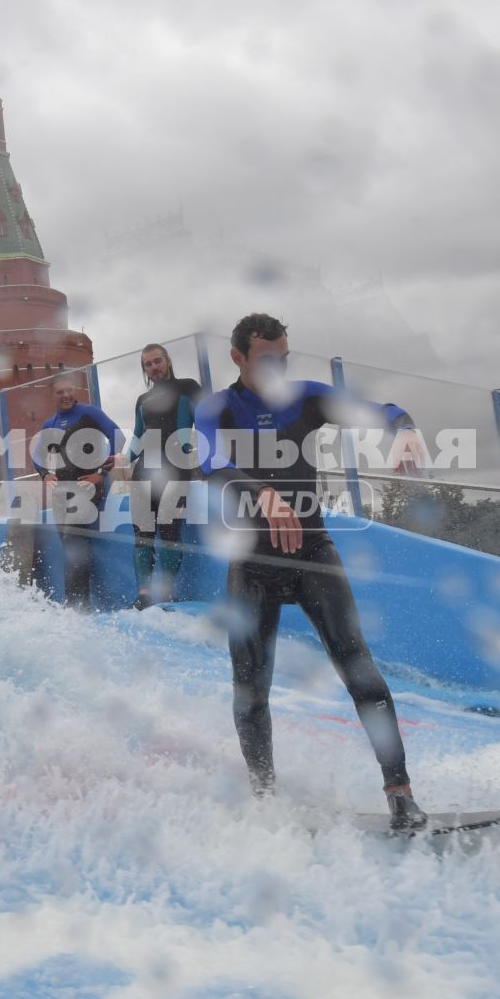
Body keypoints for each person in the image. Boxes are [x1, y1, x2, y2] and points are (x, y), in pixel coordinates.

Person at [194, 313, 428, 832]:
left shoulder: (304, 398)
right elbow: (210, 462)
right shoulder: (220, 408)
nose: (277, 368)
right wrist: (263, 493)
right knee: (250, 689)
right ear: (238, 357)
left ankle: (401, 793)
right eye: (265, 360)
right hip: (253, 561)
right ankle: (265, 799)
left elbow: (379, 409)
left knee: (359, 667)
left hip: (311, 550)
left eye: (283, 358)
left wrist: (404, 428)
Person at [31, 378, 122, 608]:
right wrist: (45, 475)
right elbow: (37, 457)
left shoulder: (89, 413)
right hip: (62, 491)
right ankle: (79, 604)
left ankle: (77, 606)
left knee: (74, 541)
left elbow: (117, 437)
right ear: (51, 396)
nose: (66, 395)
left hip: (88, 485)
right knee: (69, 545)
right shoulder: (49, 424)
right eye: (60, 392)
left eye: (70, 390)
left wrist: (101, 472)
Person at [124, 344, 204, 607]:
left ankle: (167, 592)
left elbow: (208, 423)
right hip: (143, 473)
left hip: (176, 473)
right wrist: (120, 459)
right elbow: (137, 438)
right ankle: (144, 595)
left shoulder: (189, 388)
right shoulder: (142, 400)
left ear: (168, 361)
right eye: (148, 364)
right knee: (142, 535)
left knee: (170, 532)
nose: (153, 367)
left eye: (157, 361)